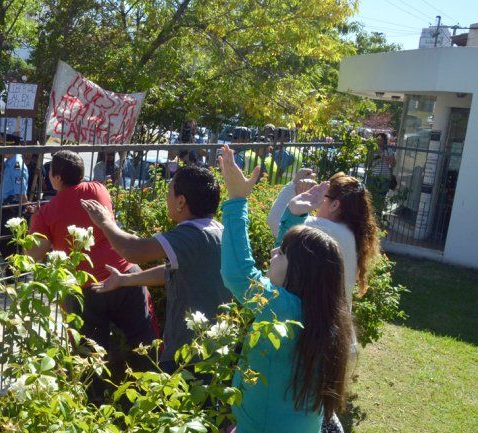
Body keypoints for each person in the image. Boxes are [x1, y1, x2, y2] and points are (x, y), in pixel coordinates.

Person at [217, 145, 353, 433]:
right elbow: (289, 263)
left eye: (282, 251)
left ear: (298, 270)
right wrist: (292, 216)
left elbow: (239, 274)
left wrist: (237, 201)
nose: (273, 250)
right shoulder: (317, 310)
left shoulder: (283, 310)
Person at [81, 165, 229, 373]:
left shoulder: (190, 235)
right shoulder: (218, 230)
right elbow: (173, 272)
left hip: (187, 353)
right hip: (214, 347)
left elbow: (133, 250)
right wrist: (124, 279)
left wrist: (106, 222)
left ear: (181, 202)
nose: (166, 198)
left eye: (169, 191)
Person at [26, 150, 158, 358]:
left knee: (90, 356)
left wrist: (34, 223)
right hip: (125, 275)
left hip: (85, 288)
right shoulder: (99, 189)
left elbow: (33, 255)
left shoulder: (46, 213)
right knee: (147, 344)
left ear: (57, 178)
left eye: (49, 172)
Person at [267, 169, 380, 305]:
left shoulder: (324, 229)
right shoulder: (351, 233)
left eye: (323, 197)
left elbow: (275, 220)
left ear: (334, 205)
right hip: (335, 316)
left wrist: (293, 185)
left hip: (314, 316)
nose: (318, 202)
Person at [0, 149, 28, 256]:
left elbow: (20, 189)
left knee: (10, 245)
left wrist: (24, 205)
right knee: (5, 243)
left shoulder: (16, 164)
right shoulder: (9, 162)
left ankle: (11, 264)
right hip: (7, 206)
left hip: (12, 208)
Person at [367, 132, 396, 215]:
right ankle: (369, 214)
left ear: (385, 141)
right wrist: (378, 156)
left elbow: (393, 164)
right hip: (373, 176)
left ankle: (378, 215)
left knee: (381, 197)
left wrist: (389, 160)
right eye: (377, 139)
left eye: (381, 140)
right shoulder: (372, 150)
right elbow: (368, 163)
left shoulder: (389, 151)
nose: (379, 141)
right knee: (370, 196)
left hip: (385, 177)